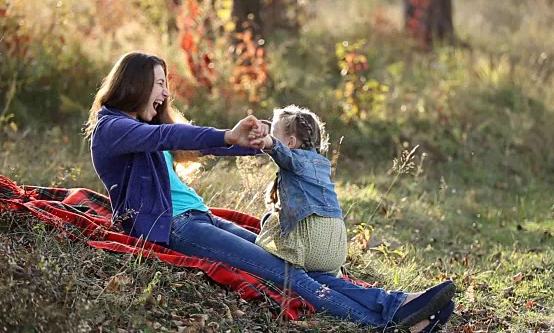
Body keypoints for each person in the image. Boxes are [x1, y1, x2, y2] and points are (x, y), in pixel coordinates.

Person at [85, 51, 456, 332]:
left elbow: (201, 143)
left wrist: (256, 142)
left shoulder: (136, 124)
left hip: (198, 218)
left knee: (296, 266)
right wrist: (228, 134)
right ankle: (386, 324)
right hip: (175, 229)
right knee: (290, 277)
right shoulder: (112, 127)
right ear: (135, 84)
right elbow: (167, 136)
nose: (166, 93)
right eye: (160, 83)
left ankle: (397, 305)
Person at [254, 105, 347, 277]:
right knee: (274, 217)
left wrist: (269, 143)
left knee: (270, 221)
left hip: (310, 244)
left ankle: (292, 265)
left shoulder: (296, 160)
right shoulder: (321, 164)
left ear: (290, 143)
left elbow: (284, 154)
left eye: (274, 135)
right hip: (336, 248)